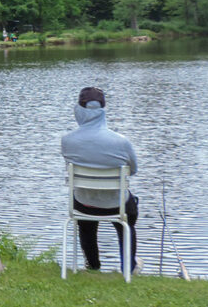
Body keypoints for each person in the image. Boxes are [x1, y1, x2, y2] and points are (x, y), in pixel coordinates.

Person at [61, 87, 140, 274]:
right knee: (128, 216)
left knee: (86, 222)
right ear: (103, 110)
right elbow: (134, 170)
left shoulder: (67, 141)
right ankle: (129, 266)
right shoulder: (121, 142)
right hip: (115, 203)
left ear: (78, 110)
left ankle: (92, 265)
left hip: (83, 203)